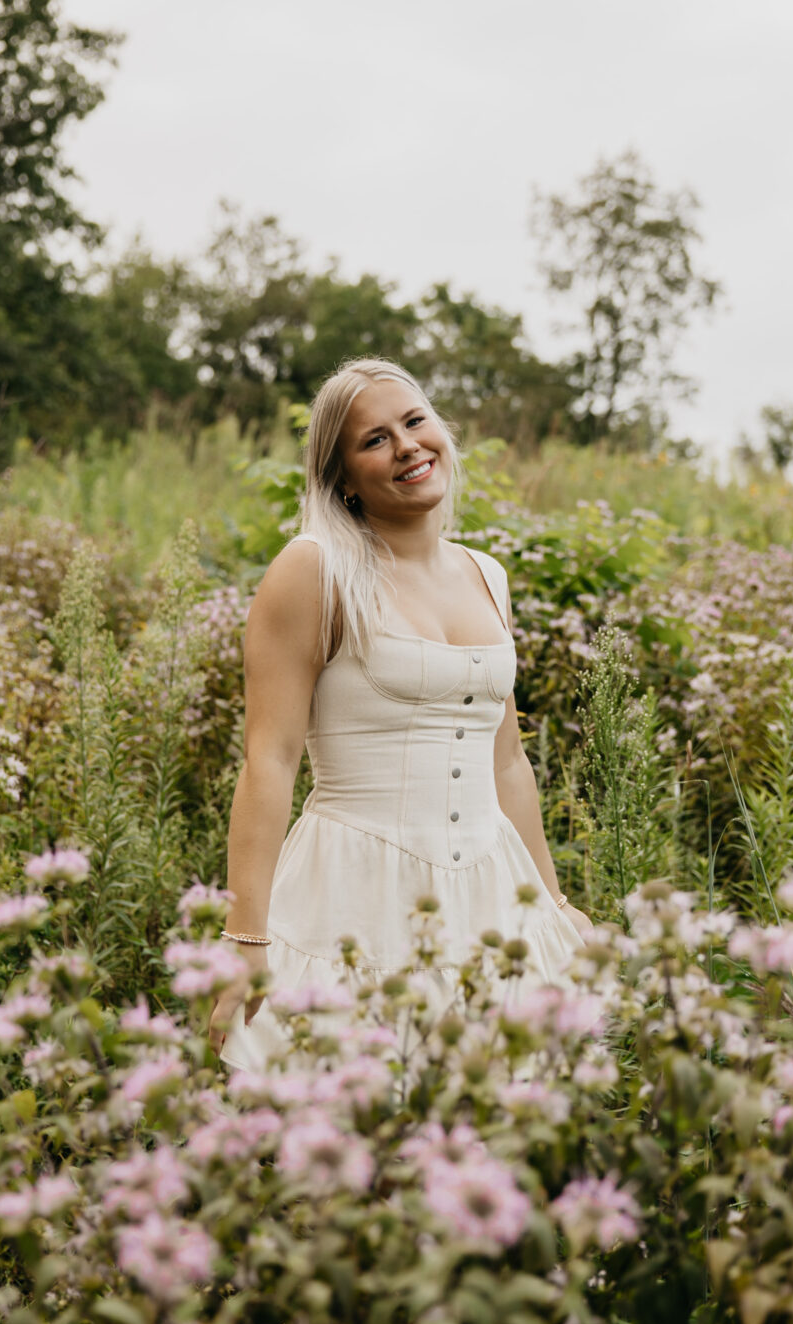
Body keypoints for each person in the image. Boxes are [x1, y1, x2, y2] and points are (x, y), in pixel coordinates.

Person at [209, 356, 593, 1066]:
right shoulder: (313, 568)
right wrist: (246, 935)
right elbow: (270, 759)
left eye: (415, 422)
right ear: (343, 478)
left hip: (490, 893)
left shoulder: (487, 574)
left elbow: (505, 760)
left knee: (491, 1132)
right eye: (374, 439)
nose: (407, 446)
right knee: (354, 1132)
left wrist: (552, 898)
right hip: (355, 896)